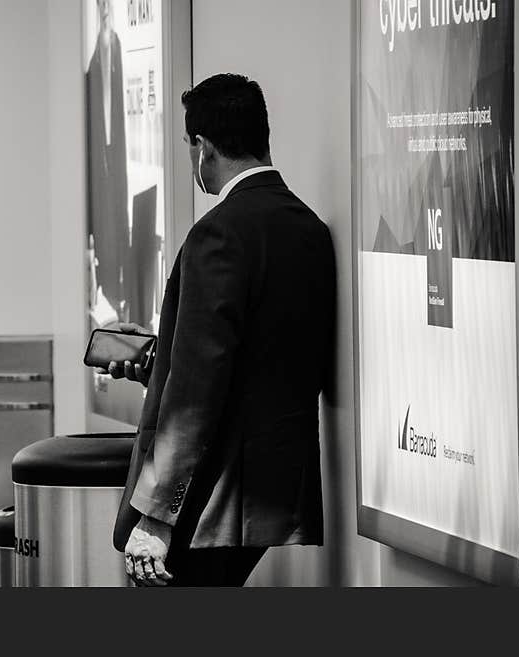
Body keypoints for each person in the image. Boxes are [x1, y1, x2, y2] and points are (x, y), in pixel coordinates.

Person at [104, 74, 336, 586]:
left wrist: (157, 516)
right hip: (271, 494)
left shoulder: (218, 233)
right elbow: (264, 357)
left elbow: (195, 393)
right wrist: (159, 361)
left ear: (203, 147)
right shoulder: (310, 230)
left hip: (209, 502)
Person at [86, 0, 130, 323]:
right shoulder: (95, 54)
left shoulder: (113, 45)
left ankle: (116, 291)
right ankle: (107, 290)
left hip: (113, 160)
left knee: (115, 217)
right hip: (99, 160)